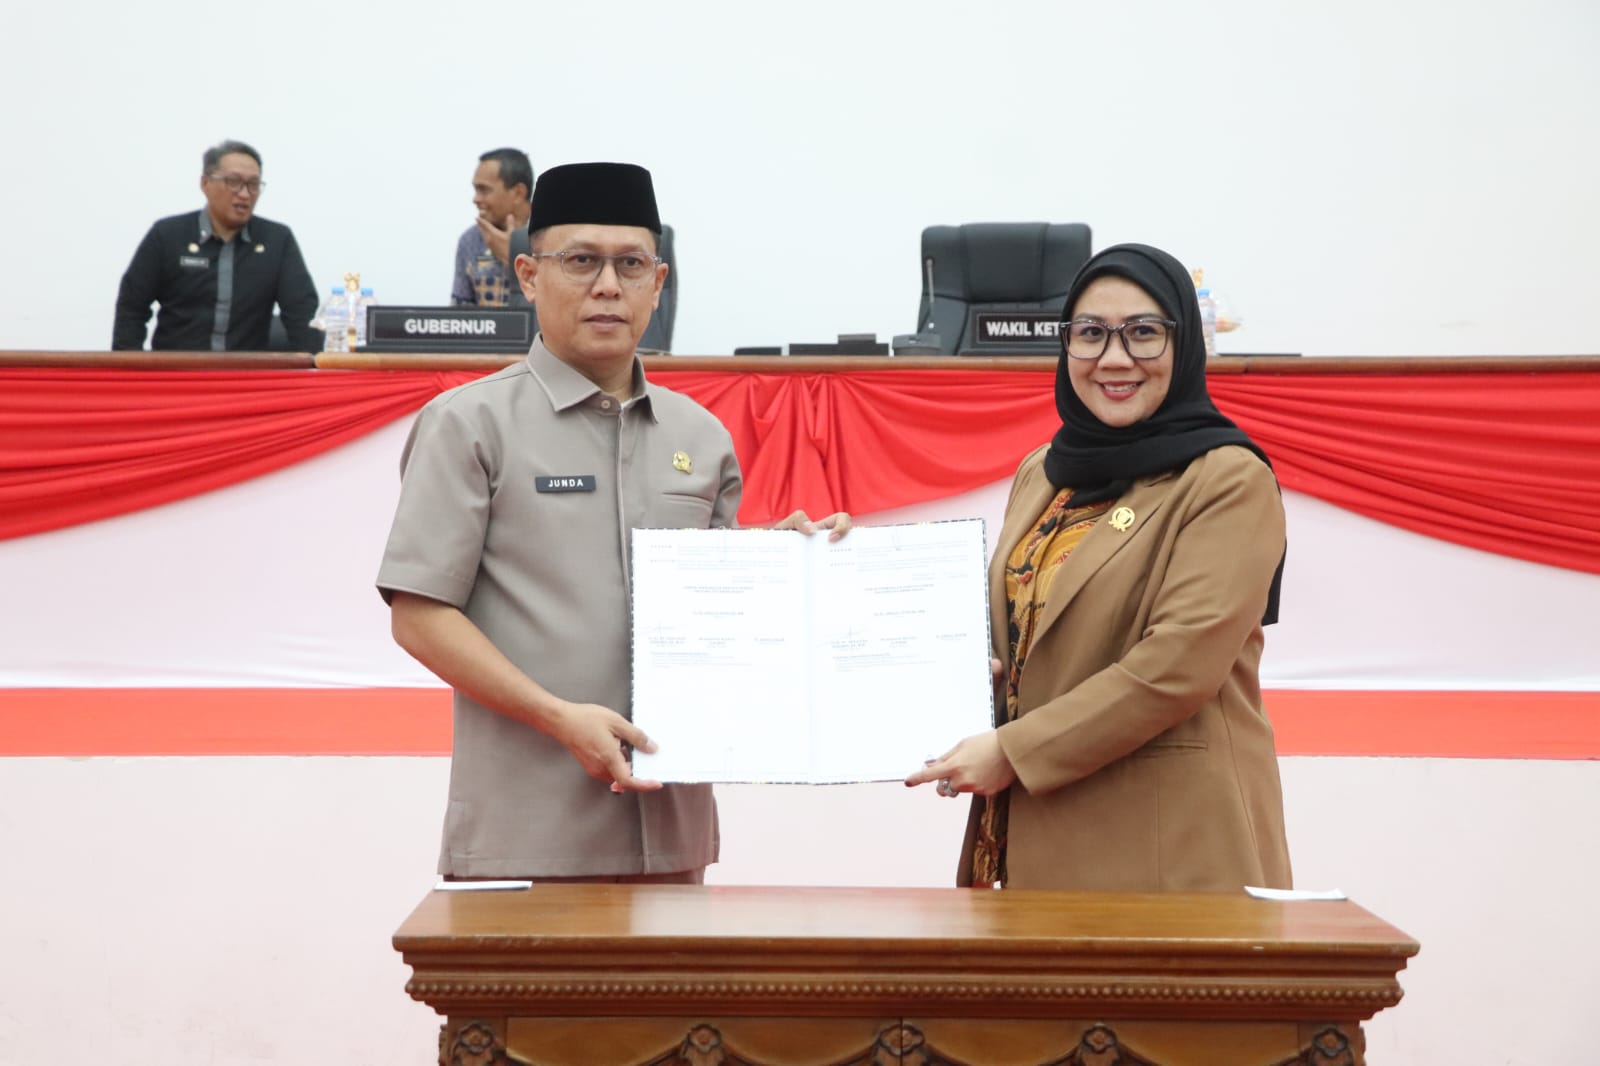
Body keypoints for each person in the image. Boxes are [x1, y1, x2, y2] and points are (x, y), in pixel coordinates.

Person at [379, 162, 846, 883]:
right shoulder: (469, 424)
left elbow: (717, 616)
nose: (607, 286)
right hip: (527, 835)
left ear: (658, 284)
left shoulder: (699, 435)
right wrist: (557, 717)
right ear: (529, 275)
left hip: (672, 834)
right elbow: (419, 616)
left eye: (630, 265)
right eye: (581, 262)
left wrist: (783, 569)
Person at [905, 243, 1292, 893]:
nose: (1114, 358)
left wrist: (1013, 751)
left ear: (1183, 345)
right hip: (1033, 836)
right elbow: (1023, 635)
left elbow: (1177, 666)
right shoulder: (1043, 472)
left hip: (1165, 849)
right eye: (1090, 333)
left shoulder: (1226, 480)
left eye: (1143, 332)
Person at [113, 140, 319, 352]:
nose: (245, 194)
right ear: (205, 184)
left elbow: (301, 312)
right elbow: (132, 307)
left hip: (246, 370)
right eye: (234, 182)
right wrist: (127, 367)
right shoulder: (167, 235)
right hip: (177, 369)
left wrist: (315, 367)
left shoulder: (277, 240)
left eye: (253, 184)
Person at [450, 147, 534, 307]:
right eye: (476, 190)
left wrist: (514, 258)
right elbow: (459, 314)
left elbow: (561, 304)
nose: (476, 199)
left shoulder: (550, 236)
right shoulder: (470, 240)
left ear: (518, 193)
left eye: (484, 190)